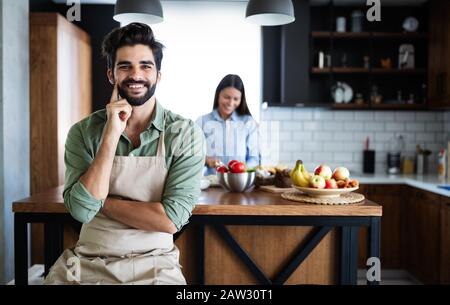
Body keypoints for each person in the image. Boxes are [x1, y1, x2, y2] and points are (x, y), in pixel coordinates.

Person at [44, 23, 205, 285]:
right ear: (111, 75)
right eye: (125, 66)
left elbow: (170, 220)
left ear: (158, 76)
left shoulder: (185, 134)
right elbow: (82, 212)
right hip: (88, 261)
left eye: (145, 66)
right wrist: (111, 131)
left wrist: (102, 201)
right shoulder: (83, 132)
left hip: (156, 264)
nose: (136, 74)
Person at [196, 74, 260, 175]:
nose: (230, 103)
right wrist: (206, 160)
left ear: (241, 99)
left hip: (240, 183)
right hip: (213, 183)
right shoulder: (202, 122)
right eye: (227, 97)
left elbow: (255, 159)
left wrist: (241, 169)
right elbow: (194, 155)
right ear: (218, 95)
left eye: (236, 99)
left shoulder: (248, 123)